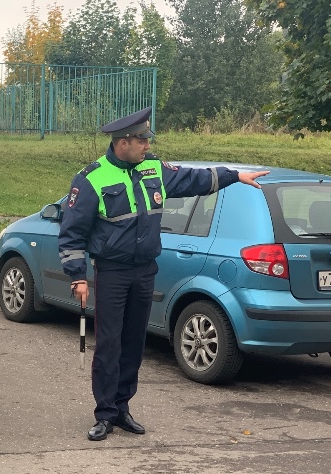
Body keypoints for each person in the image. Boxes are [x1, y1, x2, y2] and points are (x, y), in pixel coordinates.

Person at [58, 107, 269, 442]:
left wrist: (234, 175)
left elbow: (192, 179)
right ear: (123, 142)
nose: (147, 145)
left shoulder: (153, 168)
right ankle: (105, 413)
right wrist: (77, 276)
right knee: (109, 344)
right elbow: (71, 234)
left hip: (145, 271)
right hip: (112, 272)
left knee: (134, 342)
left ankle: (123, 407)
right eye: (142, 140)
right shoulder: (91, 179)